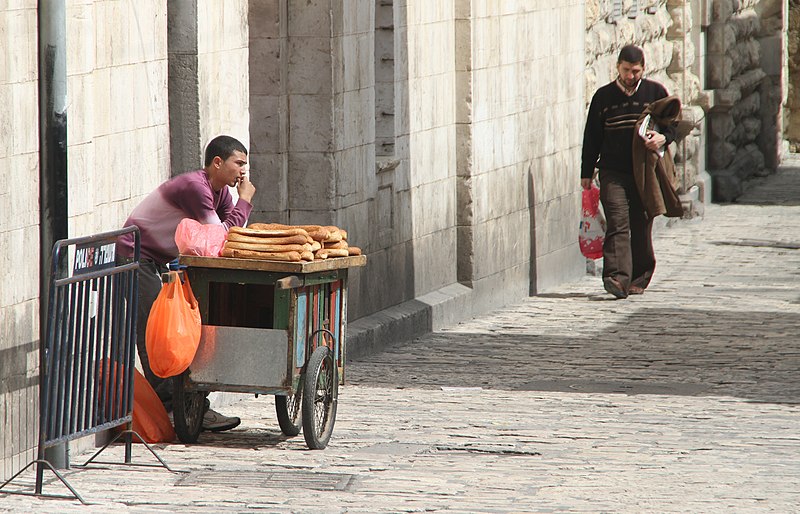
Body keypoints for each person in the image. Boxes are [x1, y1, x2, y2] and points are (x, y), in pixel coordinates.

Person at [117, 135, 256, 431]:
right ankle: (171, 406)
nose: (243, 171)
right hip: (135, 254)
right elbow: (218, 237)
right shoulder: (197, 187)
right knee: (156, 328)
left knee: (182, 326)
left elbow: (225, 235)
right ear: (217, 163)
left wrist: (237, 205)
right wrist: (245, 201)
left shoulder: (219, 193)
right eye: (239, 163)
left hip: (160, 261)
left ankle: (190, 405)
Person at [580, 44, 677, 299]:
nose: (631, 76)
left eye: (635, 71)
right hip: (613, 171)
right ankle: (616, 278)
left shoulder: (655, 92)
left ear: (643, 69)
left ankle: (640, 275)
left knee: (641, 224)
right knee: (617, 222)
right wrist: (586, 172)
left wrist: (663, 138)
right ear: (617, 68)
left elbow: (673, 126)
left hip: (645, 173)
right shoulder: (603, 97)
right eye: (626, 70)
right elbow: (592, 137)